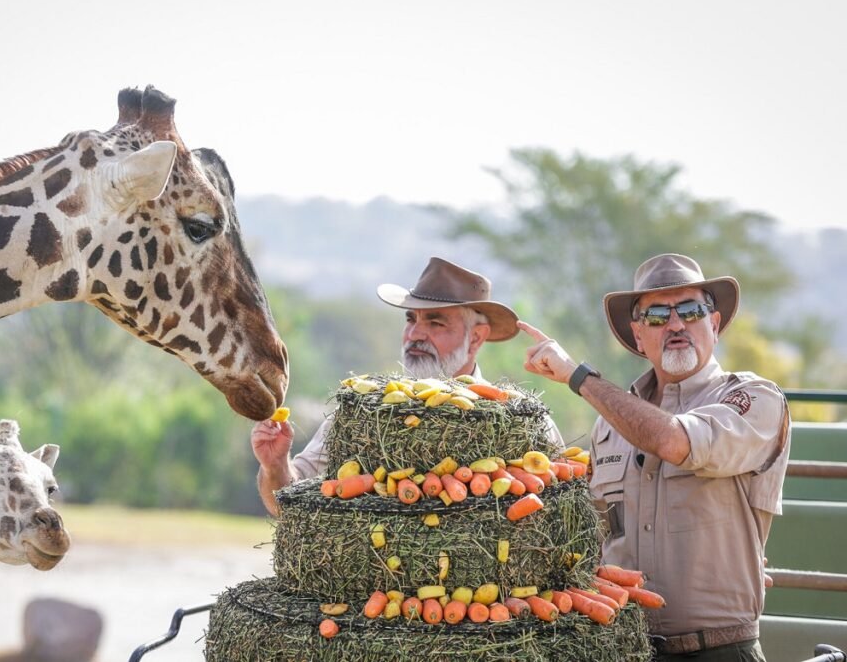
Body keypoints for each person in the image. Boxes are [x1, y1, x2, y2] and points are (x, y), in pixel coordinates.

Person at [517, 253, 789, 661]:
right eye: (658, 315)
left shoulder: (753, 399)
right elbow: (592, 538)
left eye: (691, 310)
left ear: (713, 325)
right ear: (638, 336)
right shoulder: (610, 426)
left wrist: (577, 376)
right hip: (625, 649)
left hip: (720, 650)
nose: (677, 324)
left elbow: (675, 442)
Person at [251, 256, 564, 516]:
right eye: (411, 319)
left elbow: (563, 502)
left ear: (477, 338)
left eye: (435, 323)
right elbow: (286, 504)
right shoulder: (363, 411)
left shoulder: (523, 421)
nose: (415, 333)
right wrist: (276, 464)